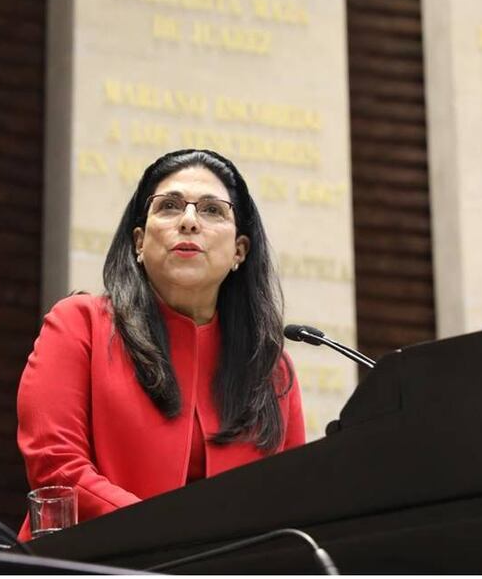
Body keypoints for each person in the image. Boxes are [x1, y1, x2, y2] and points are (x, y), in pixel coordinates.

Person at [17, 149, 305, 538]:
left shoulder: (271, 368)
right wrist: (170, 537)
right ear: (139, 241)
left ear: (240, 250)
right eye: (169, 206)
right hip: (95, 558)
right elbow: (57, 468)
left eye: (212, 210)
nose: (189, 221)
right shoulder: (80, 324)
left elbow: (291, 499)